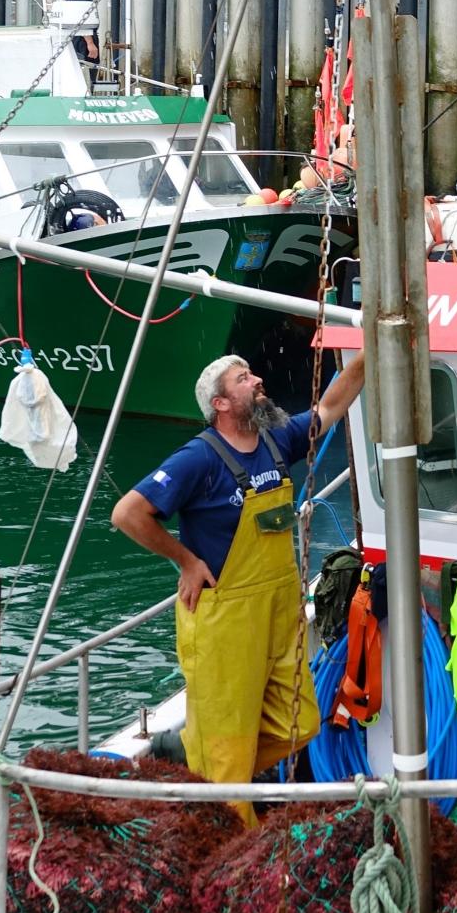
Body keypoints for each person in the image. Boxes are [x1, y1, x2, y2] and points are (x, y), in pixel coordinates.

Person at [111, 350, 365, 821]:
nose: (258, 379)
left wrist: (367, 353)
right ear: (221, 404)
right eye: (244, 378)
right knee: (226, 762)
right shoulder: (198, 458)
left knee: (300, 724)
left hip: (277, 614)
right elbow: (128, 513)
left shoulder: (276, 439)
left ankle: (198, 763)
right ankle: (233, 835)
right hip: (223, 624)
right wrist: (186, 561)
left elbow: (331, 406)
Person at [64, 0, 99, 85]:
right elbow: (82, 17)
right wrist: (90, 43)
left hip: (77, 38)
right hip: (84, 39)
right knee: (88, 72)